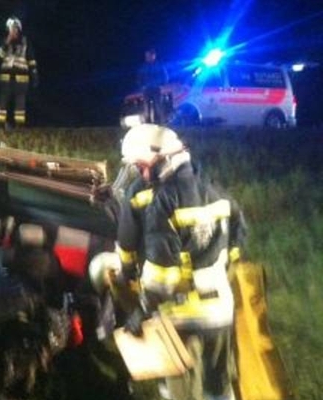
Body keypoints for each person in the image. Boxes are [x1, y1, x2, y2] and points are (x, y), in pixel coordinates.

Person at [90, 124, 245, 400]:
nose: (142, 174)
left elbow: (162, 279)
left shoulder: (163, 202)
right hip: (221, 312)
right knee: (218, 388)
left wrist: (142, 311)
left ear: (163, 160)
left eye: (142, 166)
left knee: (178, 391)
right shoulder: (218, 192)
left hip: (182, 318)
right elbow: (236, 244)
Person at [0, 17, 38, 129]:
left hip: (21, 79)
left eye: (14, 28)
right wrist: (6, 43)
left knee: (20, 104)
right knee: (2, 102)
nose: (12, 31)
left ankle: (19, 126)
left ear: (19, 29)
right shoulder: (4, 41)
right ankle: (0, 125)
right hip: (6, 78)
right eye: (10, 29)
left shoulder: (25, 42)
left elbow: (31, 60)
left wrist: (34, 74)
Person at [137, 48, 168, 124]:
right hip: (146, 89)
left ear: (153, 56)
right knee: (146, 108)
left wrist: (161, 84)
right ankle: (148, 123)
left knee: (158, 106)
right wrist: (141, 86)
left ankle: (161, 122)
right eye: (146, 56)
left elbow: (165, 76)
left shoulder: (159, 65)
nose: (147, 57)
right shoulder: (143, 66)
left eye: (149, 55)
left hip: (156, 89)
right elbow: (139, 77)